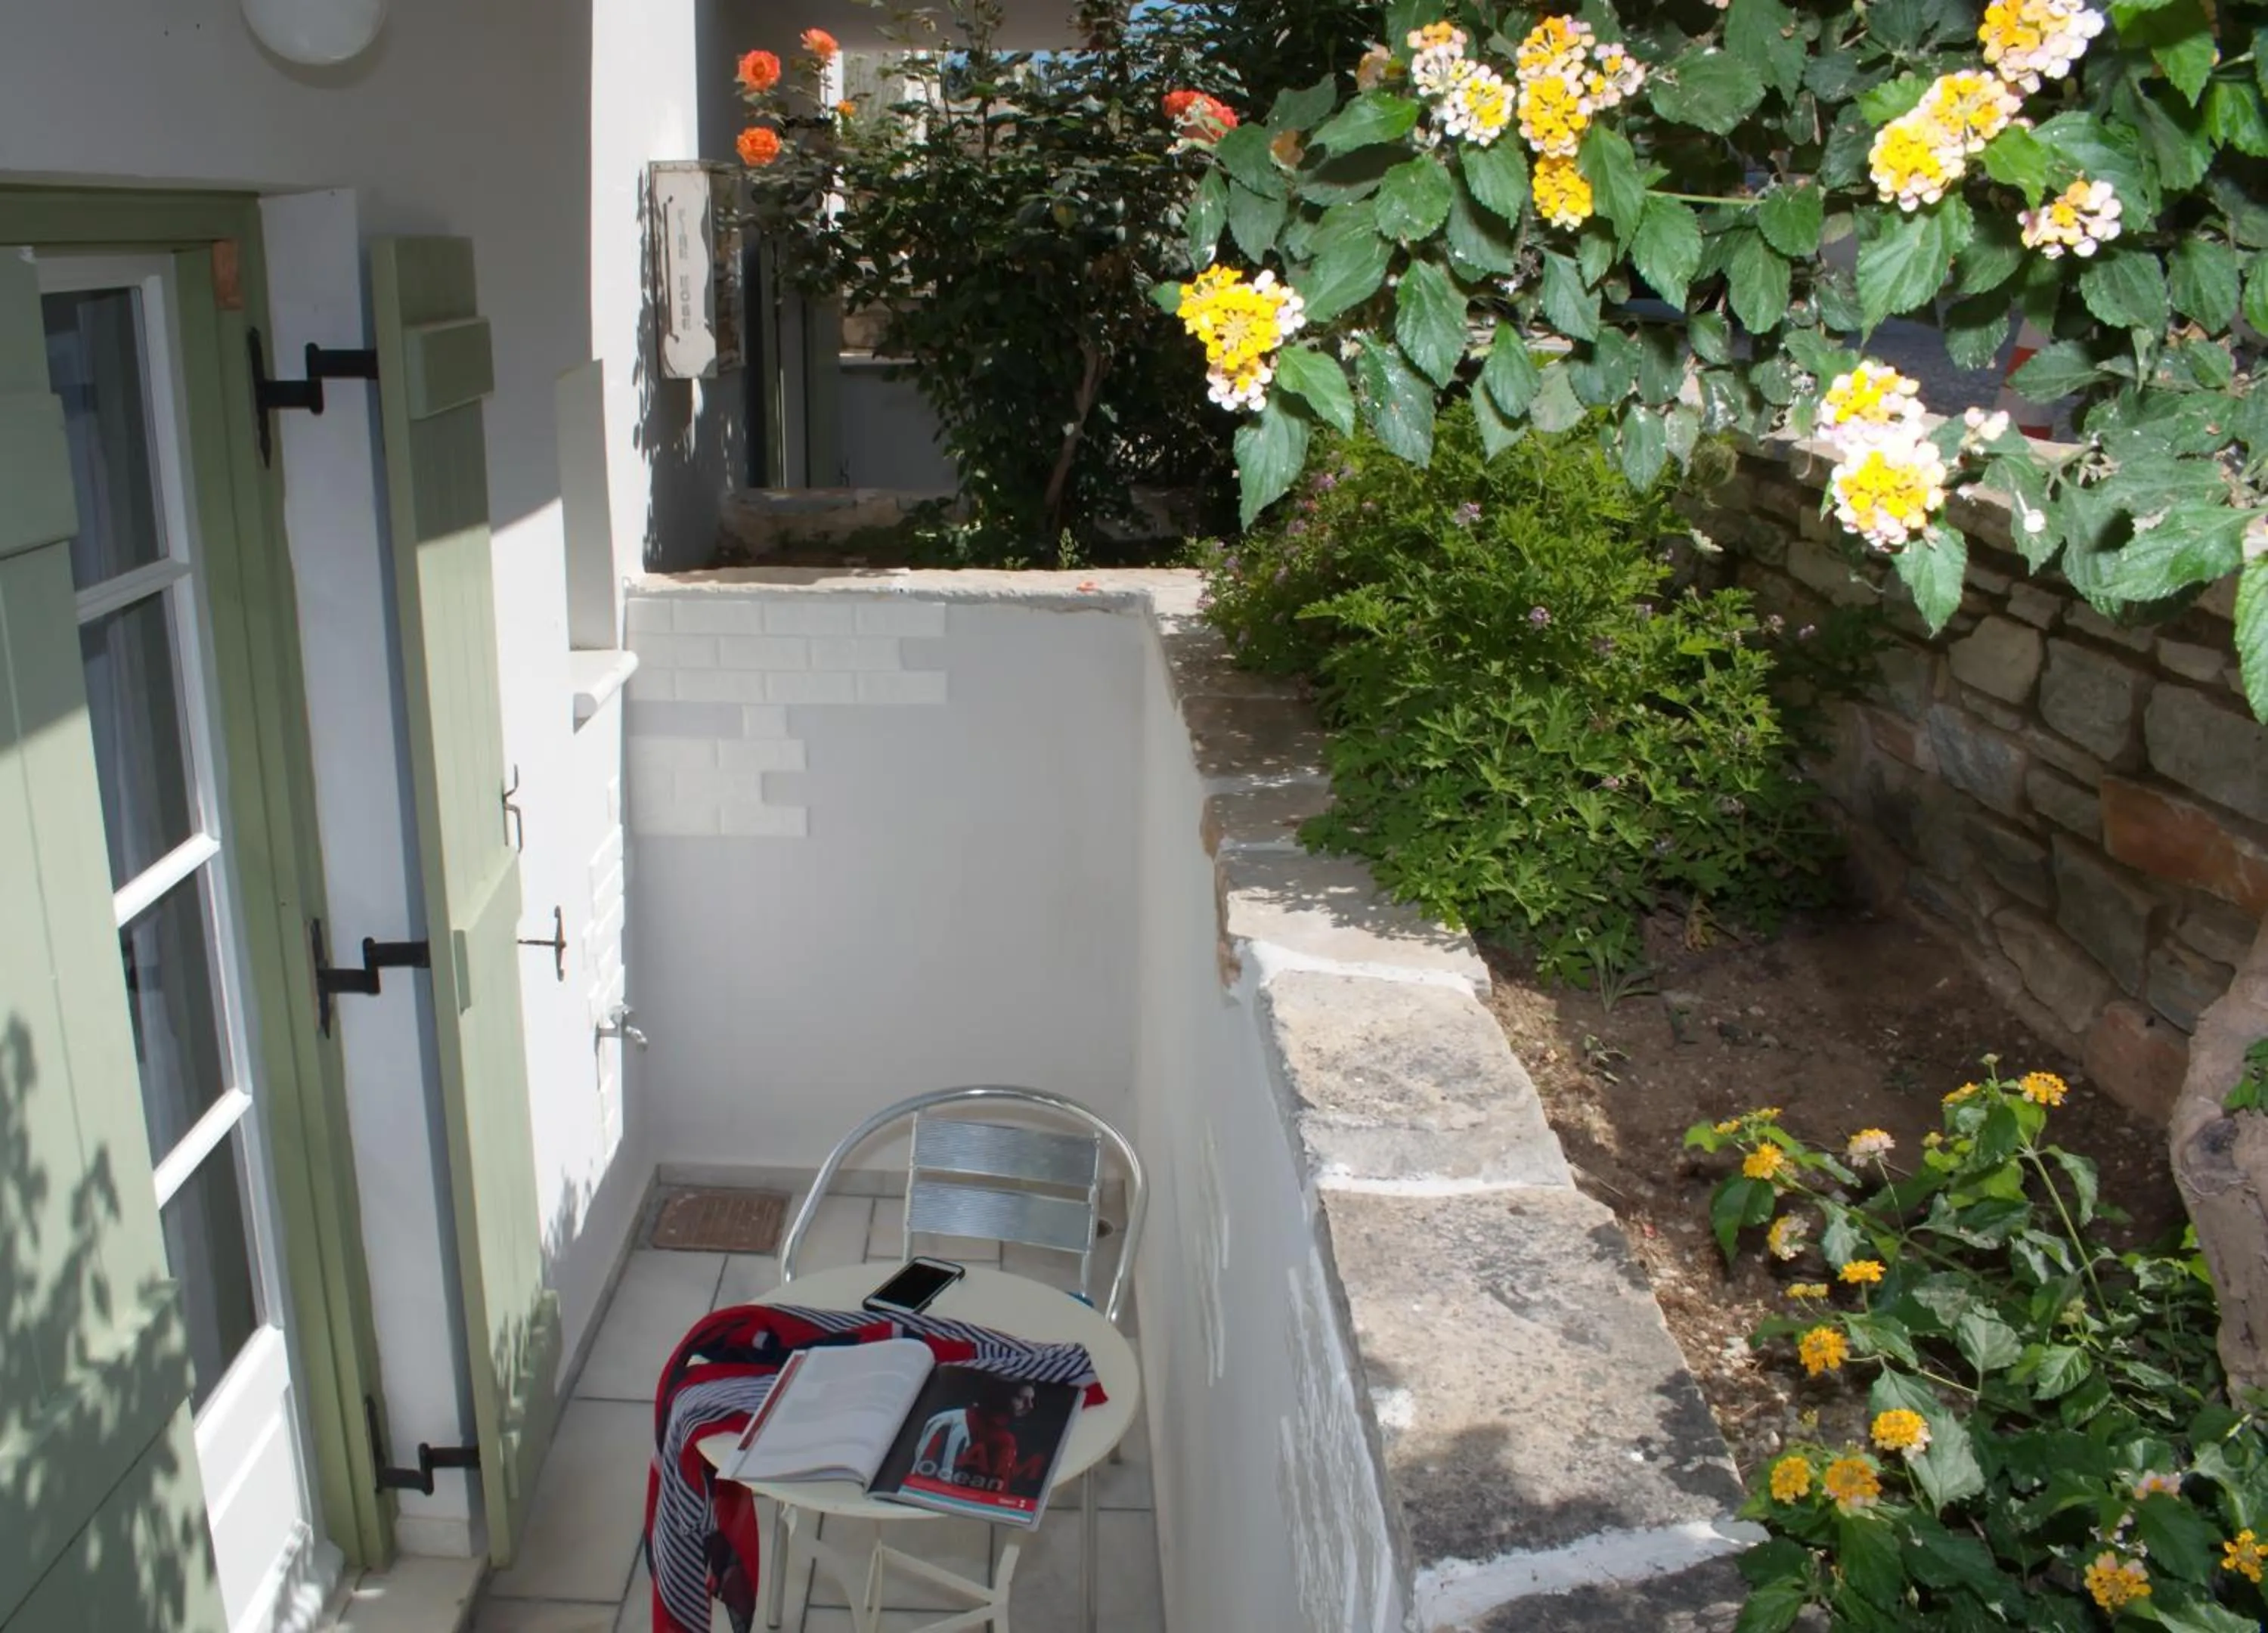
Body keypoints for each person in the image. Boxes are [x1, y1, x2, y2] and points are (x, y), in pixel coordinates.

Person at [911, 1376, 1036, 1489]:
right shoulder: (947, 1422)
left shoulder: (1007, 1439)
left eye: (1031, 1400)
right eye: (1020, 1398)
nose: (1029, 1406)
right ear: (1001, 1395)